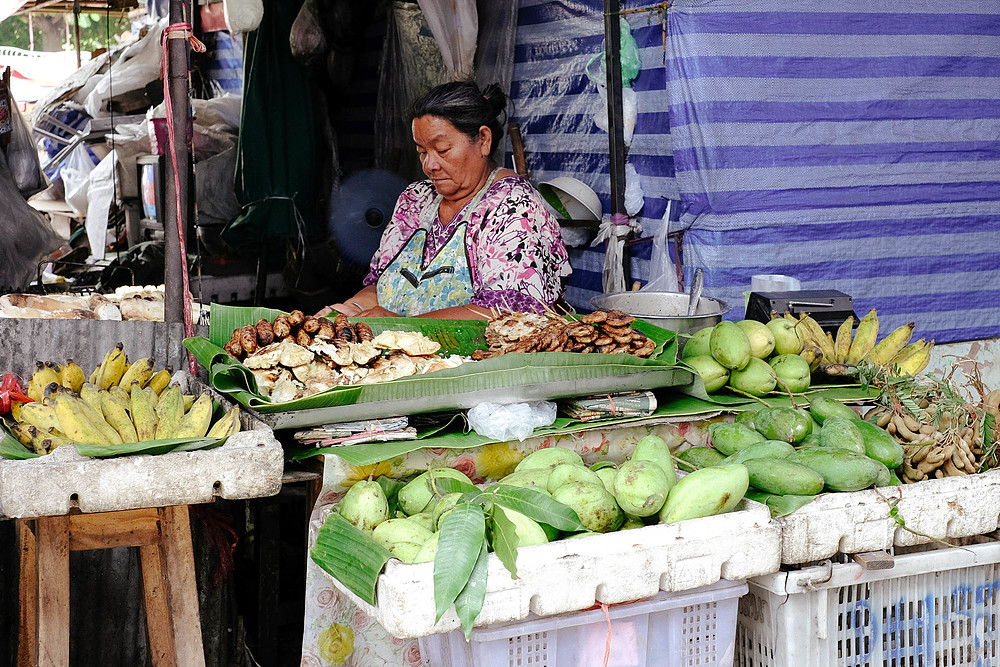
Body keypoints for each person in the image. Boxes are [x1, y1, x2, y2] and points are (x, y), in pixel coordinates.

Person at [319, 81, 571, 319]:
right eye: (421, 152)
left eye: (442, 150)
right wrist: (351, 308)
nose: (429, 165)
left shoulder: (514, 207)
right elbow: (381, 285)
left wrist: (402, 328)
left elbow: (508, 314)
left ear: (483, 140)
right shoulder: (415, 199)